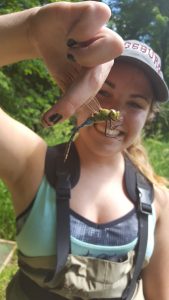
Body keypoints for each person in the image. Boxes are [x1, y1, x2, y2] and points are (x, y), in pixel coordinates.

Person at [0, 2, 169, 300]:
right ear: (79, 88)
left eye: (135, 103)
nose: (114, 111)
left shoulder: (159, 200)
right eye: (103, 91)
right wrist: (29, 32)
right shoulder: (33, 162)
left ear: (150, 116)